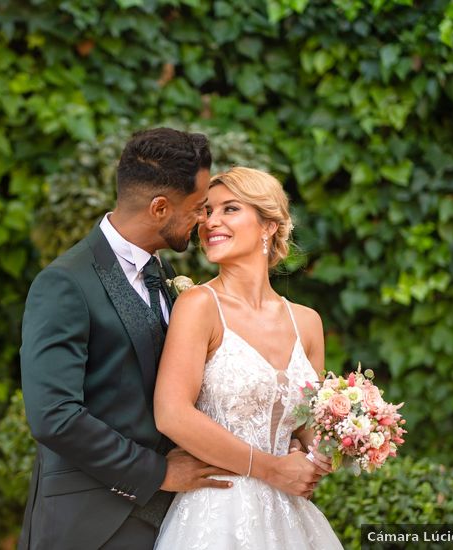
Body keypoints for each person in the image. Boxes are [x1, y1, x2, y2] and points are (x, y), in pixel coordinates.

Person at [18, 128, 232, 550]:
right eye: (197, 208)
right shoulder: (64, 283)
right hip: (90, 525)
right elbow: (53, 414)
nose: (205, 220)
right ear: (159, 208)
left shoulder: (167, 278)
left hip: (174, 522)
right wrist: (157, 473)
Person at [153, 167, 342, 549]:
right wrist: (271, 469)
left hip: (290, 517)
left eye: (230, 209)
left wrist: (334, 447)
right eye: (207, 211)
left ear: (268, 225)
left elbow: (306, 429)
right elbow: (172, 413)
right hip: (217, 512)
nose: (210, 222)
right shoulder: (199, 306)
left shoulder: (307, 322)